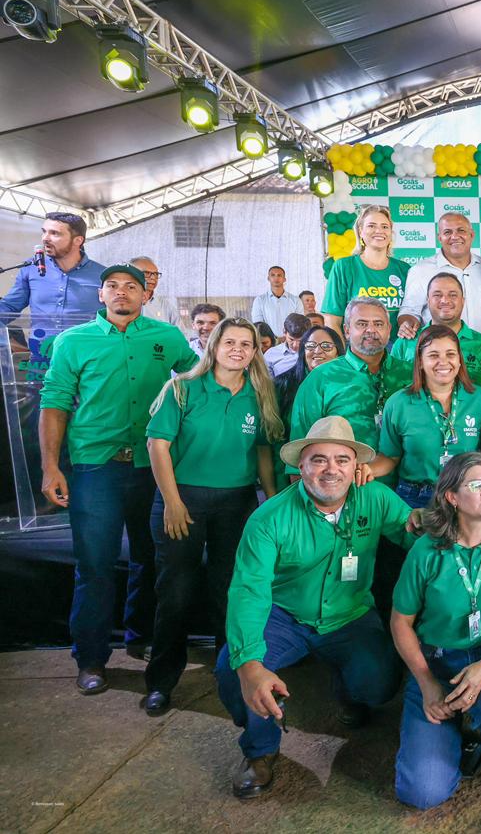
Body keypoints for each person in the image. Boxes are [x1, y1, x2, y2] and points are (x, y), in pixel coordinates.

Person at [215, 416, 420, 799]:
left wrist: (450, 524)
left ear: (355, 466)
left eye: (342, 460)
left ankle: (349, 691)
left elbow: (416, 533)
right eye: (319, 460)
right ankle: (260, 750)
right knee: (233, 670)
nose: (331, 469)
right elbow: (248, 592)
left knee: (379, 683)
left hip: (350, 614)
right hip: (284, 615)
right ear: (301, 466)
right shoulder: (268, 518)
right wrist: (250, 665)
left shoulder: (375, 498)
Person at [38, 263, 198, 694]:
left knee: (152, 558)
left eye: (131, 286)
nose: (122, 292)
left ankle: (140, 636)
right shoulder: (73, 341)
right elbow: (54, 403)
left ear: (146, 294)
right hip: (96, 467)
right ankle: (90, 658)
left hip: (153, 467)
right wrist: (51, 466)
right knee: (95, 565)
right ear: (101, 294)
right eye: (112, 286)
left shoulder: (168, 337)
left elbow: (198, 379)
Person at [141, 317, 283, 715]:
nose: (237, 350)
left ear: (255, 352)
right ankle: (161, 681)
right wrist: (172, 502)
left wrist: (272, 500)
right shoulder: (182, 388)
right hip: (183, 499)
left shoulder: (259, 395)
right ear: (213, 346)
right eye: (229, 342)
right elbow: (157, 446)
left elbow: (262, 451)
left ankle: (234, 678)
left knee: (231, 592)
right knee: (175, 592)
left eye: (246, 344)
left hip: (236, 502)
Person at [390, 452, 481, 809]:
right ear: (452, 497)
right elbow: (400, 622)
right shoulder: (425, 550)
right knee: (422, 793)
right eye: (476, 485)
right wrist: (427, 683)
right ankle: (459, 732)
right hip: (439, 662)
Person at [371, 325, 481, 508]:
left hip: (466, 495)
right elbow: (389, 457)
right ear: (420, 361)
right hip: (414, 497)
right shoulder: (398, 403)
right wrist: (365, 469)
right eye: (433, 355)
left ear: (459, 360)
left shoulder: (479, 398)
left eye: (450, 354)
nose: (443, 362)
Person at [289, 299, 412, 474]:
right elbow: (299, 449)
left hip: (407, 485)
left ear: (389, 329)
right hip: (341, 484)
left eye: (378, 324)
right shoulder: (321, 378)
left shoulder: (410, 374)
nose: (371, 330)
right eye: (362, 324)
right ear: (346, 331)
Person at [0, 212, 105, 337]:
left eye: (54, 233)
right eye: (44, 231)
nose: (45, 238)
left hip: (84, 348)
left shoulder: (104, 276)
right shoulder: (31, 268)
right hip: (41, 348)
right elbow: (10, 306)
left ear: (78, 240)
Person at [391, 271, 481, 390]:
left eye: (452, 295)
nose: (445, 300)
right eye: (437, 295)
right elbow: (393, 391)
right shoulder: (406, 343)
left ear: (463, 301)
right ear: (428, 301)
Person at [273, 324, 344, 491]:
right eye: (310, 346)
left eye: (326, 346)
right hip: (287, 471)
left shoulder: (348, 387)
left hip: (334, 472)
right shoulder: (282, 385)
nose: (318, 351)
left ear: (338, 352)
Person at [398, 212, 481, 338]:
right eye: (447, 232)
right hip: (437, 347)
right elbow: (410, 311)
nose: (455, 236)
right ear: (439, 237)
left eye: (461, 230)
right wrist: (407, 325)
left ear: (472, 235)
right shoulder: (421, 270)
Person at [323, 204, 412, 331]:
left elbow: (413, 314)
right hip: (355, 344)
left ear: (390, 233)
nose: (379, 231)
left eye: (385, 226)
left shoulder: (404, 269)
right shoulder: (344, 267)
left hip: (397, 344)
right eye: (371, 226)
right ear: (360, 231)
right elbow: (332, 320)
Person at [250, 266, 303, 338]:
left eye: (279, 275)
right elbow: (258, 324)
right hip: (268, 342)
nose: (276, 278)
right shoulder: (259, 300)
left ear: (284, 279)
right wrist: (273, 339)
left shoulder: (296, 300)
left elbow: (299, 323)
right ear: (268, 278)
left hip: (290, 340)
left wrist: (288, 338)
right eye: (273, 275)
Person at [132, 256, 181, 326]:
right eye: (146, 273)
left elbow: (180, 332)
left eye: (156, 274)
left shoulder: (166, 307)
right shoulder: (119, 303)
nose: (153, 277)